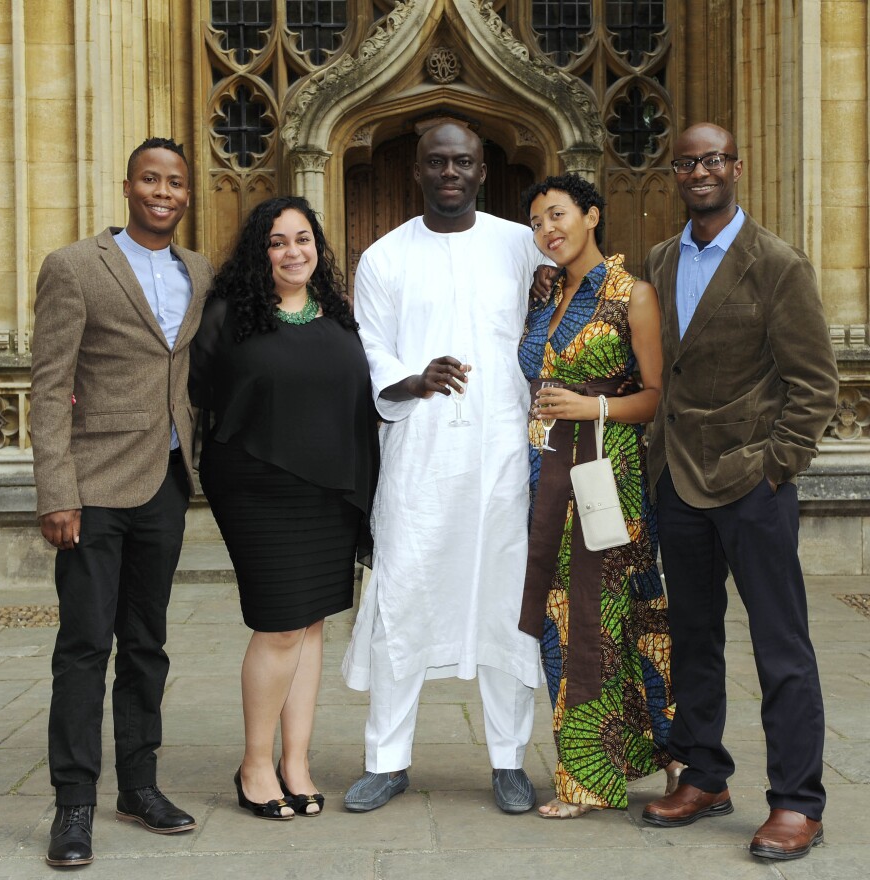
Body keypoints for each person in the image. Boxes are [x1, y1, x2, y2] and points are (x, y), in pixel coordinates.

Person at [640, 123, 838, 860]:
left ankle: (796, 801)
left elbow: (814, 384)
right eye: (687, 162)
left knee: (781, 645)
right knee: (692, 637)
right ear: (676, 173)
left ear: (736, 167)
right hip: (679, 484)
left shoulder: (777, 264)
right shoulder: (662, 259)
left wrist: (776, 466)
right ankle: (705, 774)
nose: (699, 172)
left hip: (752, 484)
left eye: (712, 160)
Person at [341, 122, 545, 814]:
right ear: (417, 172)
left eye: (462, 161)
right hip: (420, 463)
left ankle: (509, 760)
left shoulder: (521, 245)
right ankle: (387, 759)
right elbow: (369, 351)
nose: (450, 171)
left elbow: (550, 328)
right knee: (403, 599)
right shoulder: (384, 257)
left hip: (503, 459)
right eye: (437, 161)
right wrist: (413, 379)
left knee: (506, 605)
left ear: (483, 171)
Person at [31, 138, 214, 867]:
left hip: (166, 483)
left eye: (175, 181)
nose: (162, 191)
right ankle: (73, 803)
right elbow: (49, 385)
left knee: (147, 647)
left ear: (187, 194)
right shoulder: (75, 266)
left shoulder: (197, 271)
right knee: (83, 647)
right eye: (150, 178)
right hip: (93, 487)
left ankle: (139, 785)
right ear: (129, 185)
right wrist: (57, 491)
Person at [189, 196, 379, 821]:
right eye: (277, 241)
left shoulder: (340, 317)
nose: (293, 251)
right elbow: (199, 392)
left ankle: (295, 761)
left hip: (331, 491)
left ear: (317, 248)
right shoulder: (230, 316)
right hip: (257, 485)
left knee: (314, 621)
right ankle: (253, 764)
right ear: (259, 251)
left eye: (303, 239)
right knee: (278, 625)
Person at [517, 174, 680, 818]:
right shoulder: (548, 293)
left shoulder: (629, 294)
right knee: (569, 621)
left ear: (591, 216)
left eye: (556, 215)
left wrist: (592, 406)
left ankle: (596, 775)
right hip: (546, 479)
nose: (546, 230)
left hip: (604, 479)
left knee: (600, 622)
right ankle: (656, 756)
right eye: (535, 222)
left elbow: (657, 397)